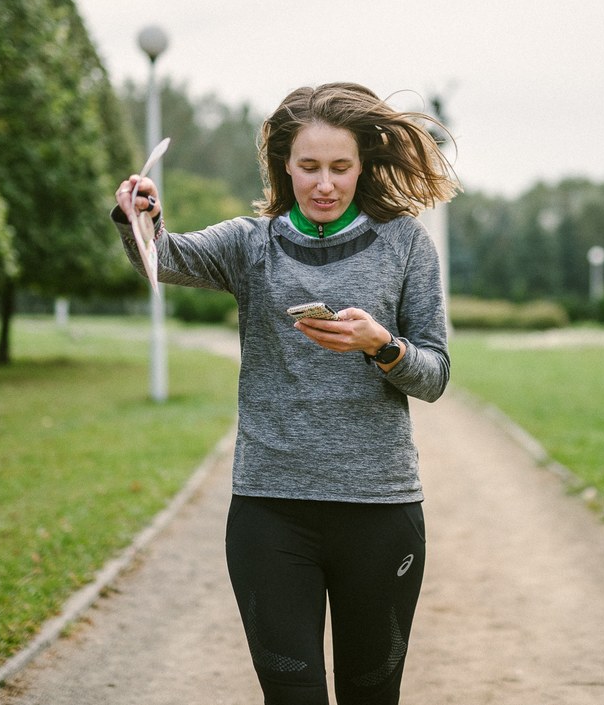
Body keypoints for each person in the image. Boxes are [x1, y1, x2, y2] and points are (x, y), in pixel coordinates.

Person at [111, 82, 459, 705]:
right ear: (284, 166)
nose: (324, 184)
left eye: (340, 168)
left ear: (362, 166)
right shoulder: (252, 243)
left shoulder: (405, 244)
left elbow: (434, 374)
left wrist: (382, 345)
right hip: (271, 512)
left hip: (379, 512)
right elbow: (161, 260)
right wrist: (141, 217)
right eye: (309, 167)